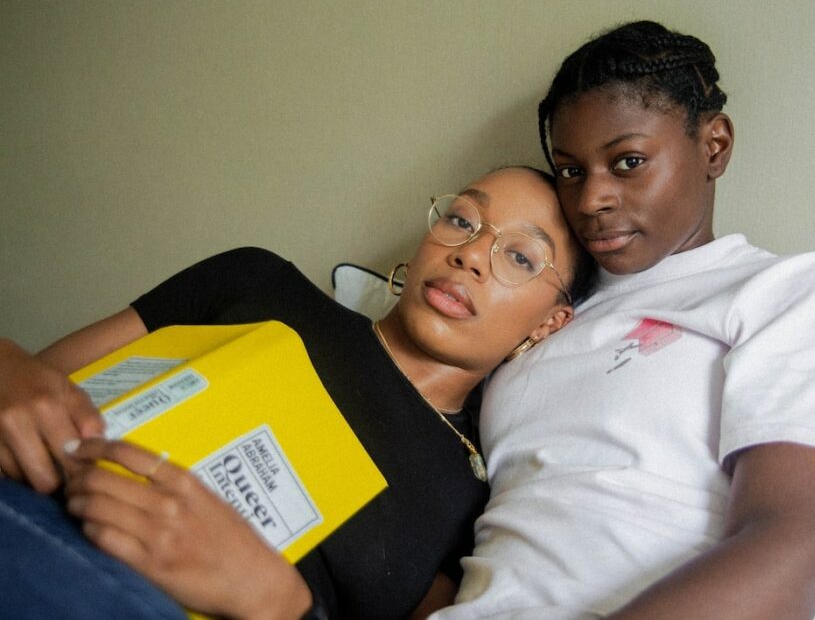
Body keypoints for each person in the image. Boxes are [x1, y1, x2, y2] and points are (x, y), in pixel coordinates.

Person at [436, 21, 815, 619]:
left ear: (714, 146)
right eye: (571, 171)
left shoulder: (784, 290)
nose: (591, 199)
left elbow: (789, 549)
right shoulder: (542, 311)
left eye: (627, 162)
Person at [0, 166, 596, 620]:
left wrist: (276, 600)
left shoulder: (475, 498)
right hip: (37, 508)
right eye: (463, 220)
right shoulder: (258, 282)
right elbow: (40, 389)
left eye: (519, 256)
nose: (469, 255)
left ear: (549, 324)